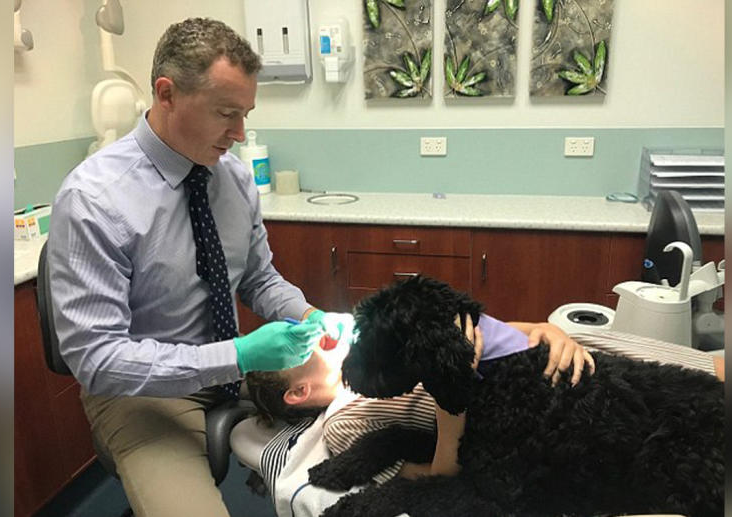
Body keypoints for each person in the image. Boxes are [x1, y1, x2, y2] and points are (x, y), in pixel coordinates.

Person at [48, 18, 331, 517]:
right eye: (226, 113)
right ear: (167, 94)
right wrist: (239, 355)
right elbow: (97, 360)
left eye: (246, 114)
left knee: (364, 408)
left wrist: (307, 314)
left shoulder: (234, 181)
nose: (240, 134)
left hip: (230, 363)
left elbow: (259, 278)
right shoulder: (94, 199)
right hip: (139, 392)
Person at [246, 314, 598, 483]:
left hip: (550, 360)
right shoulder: (344, 423)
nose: (317, 332)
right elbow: (438, 475)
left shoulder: (380, 351)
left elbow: (484, 331)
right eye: (300, 344)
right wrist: (450, 394)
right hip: (538, 418)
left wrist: (550, 332)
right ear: (298, 392)